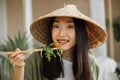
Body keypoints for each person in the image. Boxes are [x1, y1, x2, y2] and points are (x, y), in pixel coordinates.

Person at [9, 4, 107, 80]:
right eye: (56, 26)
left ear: (79, 33)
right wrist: (19, 67)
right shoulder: (36, 59)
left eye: (70, 27)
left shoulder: (90, 62)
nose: (61, 34)